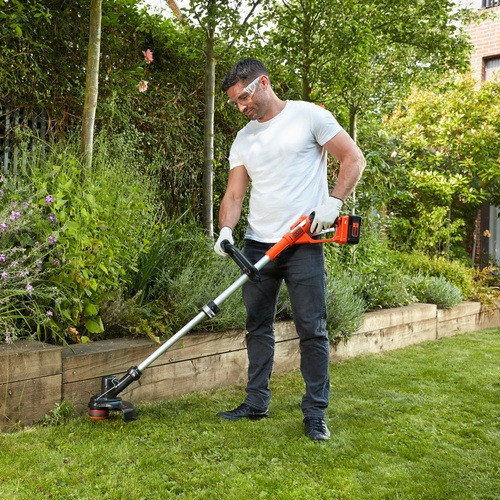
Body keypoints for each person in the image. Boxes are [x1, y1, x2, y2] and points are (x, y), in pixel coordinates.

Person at [214, 58, 365, 441]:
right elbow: (234, 192)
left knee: (311, 329)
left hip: (302, 245)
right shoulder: (244, 137)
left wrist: (333, 203)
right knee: (256, 326)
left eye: (243, 97)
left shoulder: (308, 116)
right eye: (234, 102)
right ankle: (256, 402)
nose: (241, 107)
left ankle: (315, 412)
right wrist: (226, 229)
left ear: (263, 83)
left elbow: (353, 157)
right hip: (257, 246)